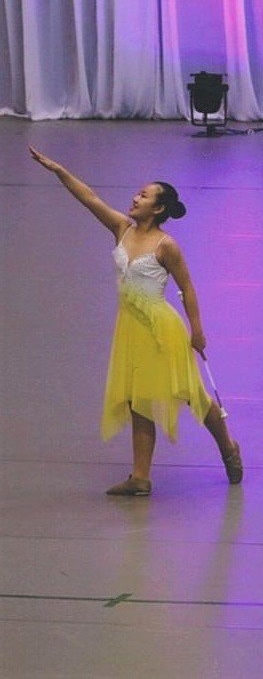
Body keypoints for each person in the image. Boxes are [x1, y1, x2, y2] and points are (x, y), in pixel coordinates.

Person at [29, 147, 242, 496]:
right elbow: (89, 199)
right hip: (130, 328)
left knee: (191, 394)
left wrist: (198, 330)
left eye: (143, 195)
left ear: (157, 208)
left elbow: (187, 287)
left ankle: (228, 448)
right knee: (136, 399)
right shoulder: (121, 229)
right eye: (137, 193)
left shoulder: (166, 245)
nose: (135, 198)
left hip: (161, 329)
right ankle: (141, 477)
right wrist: (58, 170)